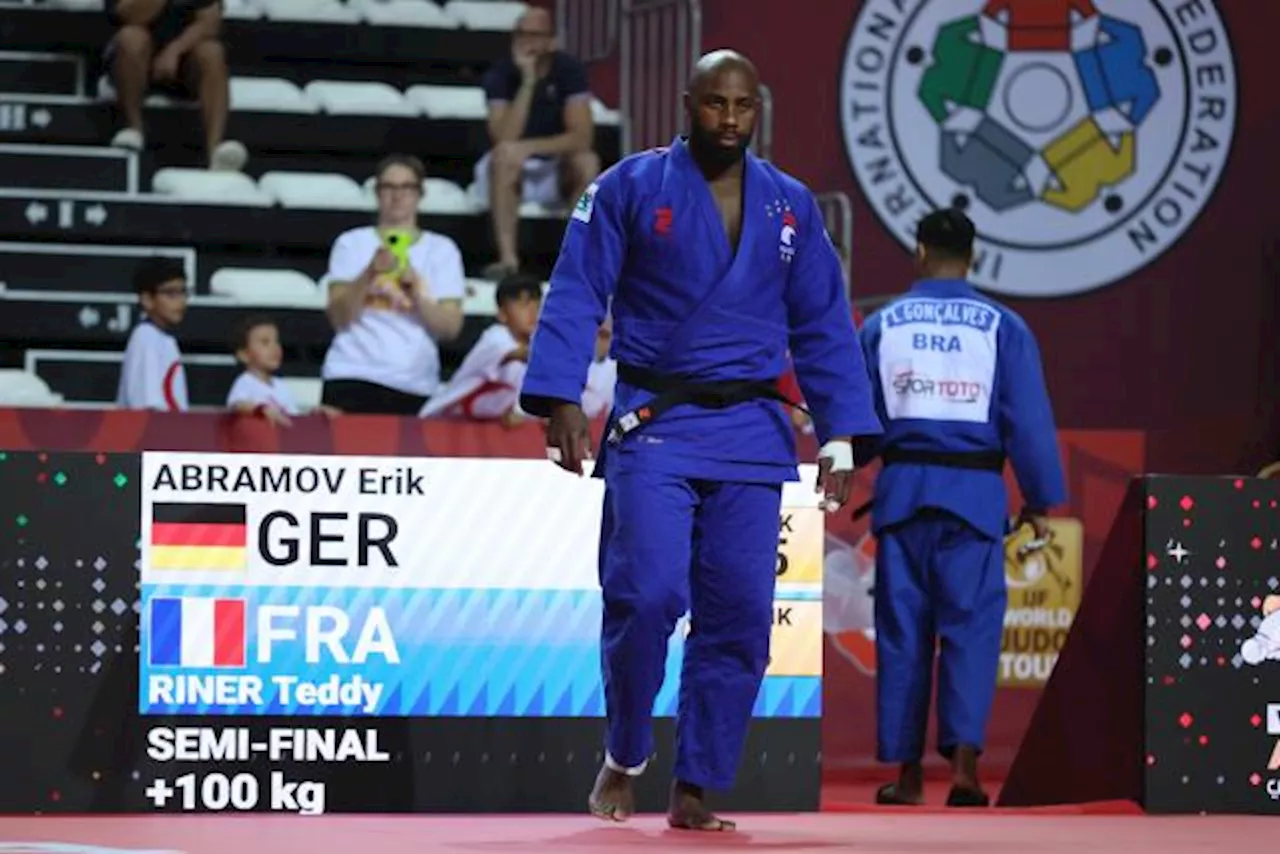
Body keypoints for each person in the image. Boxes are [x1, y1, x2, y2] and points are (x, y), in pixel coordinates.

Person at [519, 50, 882, 831]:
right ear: (688, 104)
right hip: (656, 419)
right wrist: (559, 397)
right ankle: (624, 750)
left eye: (741, 106)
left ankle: (698, 786)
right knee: (645, 595)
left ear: (758, 111)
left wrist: (843, 433)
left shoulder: (789, 206)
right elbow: (579, 286)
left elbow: (822, 322)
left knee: (743, 616)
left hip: (753, 430)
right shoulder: (629, 186)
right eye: (714, 103)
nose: (727, 118)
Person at [856, 208, 1066, 808]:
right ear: (972, 256)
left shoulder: (883, 324)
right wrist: (1041, 499)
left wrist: (847, 458)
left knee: (903, 636)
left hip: (902, 500)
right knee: (971, 633)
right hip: (974, 501)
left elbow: (859, 415)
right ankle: (967, 771)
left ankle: (908, 773)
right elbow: (1026, 420)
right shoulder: (1003, 326)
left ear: (920, 251)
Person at [320, 154, 467, 415]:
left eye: (406, 187)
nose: (397, 196)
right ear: (377, 193)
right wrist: (369, 274)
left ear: (419, 194)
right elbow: (339, 317)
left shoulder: (442, 250)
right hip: (352, 373)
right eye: (389, 187)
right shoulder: (351, 243)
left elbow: (450, 328)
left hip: (414, 382)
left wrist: (417, 293)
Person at [475, 6, 600, 279]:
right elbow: (504, 138)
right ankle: (508, 260)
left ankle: (576, 260)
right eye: (521, 34)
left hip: (553, 167)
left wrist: (529, 147)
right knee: (504, 155)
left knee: (587, 161)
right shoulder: (501, 73)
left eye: (534, 34)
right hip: (507, 169)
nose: (526, 41)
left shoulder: (569, 70)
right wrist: (528, 82)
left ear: (551, 40)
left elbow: (582, 137)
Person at [105, 0, 247, 170]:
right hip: (132, 59)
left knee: (212, 52)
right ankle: (133, 129)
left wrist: (174, 50)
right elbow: (129, 15)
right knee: (131, 38)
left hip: (182, 60)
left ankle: (216, 151)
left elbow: (210, 23)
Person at [116, 256, 189, 411]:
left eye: (183, 292)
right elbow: (147, 406)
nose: (181, 301)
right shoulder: (146, 338)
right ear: (147, 299)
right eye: (171, 293)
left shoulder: (162, 338)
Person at [225, 314, 299, 426]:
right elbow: (237, 405)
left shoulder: (282, 386)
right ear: (244, 354)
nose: (275, 348)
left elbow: (294, 417)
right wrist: (261, 410)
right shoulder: (245, 382)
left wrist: (314, 414)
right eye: (265, 343)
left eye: (277, 342)